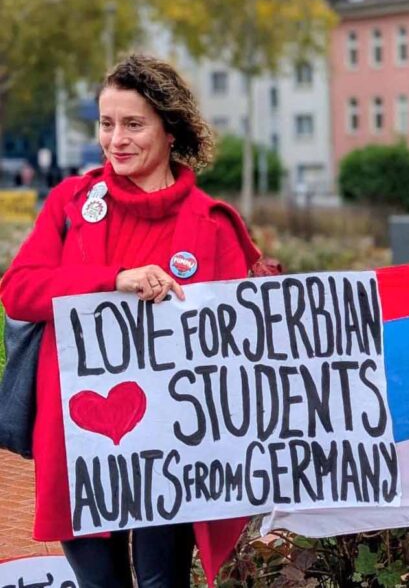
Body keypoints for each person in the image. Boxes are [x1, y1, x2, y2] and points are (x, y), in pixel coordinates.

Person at [0, 54, 261, 587]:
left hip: (173, 447)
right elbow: (18, 291)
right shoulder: (71, 203)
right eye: (106, 123)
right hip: (77, 439)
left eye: (133, 124)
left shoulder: (210, 226)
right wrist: (112, 278)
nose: (115, 139)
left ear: (171, 132)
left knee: (165, 583)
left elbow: (243, 343)